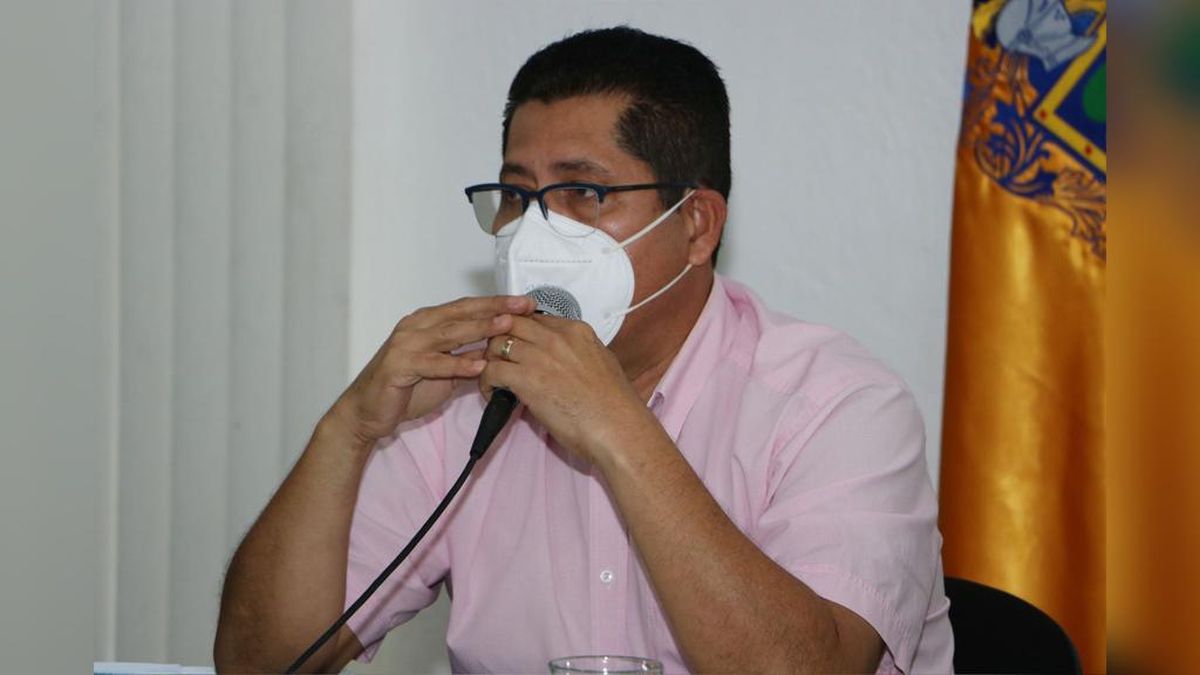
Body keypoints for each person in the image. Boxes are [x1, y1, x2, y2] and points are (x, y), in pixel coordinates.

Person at [214, 26, 953, 674]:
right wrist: (349, 430)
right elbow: (259, 662)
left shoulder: (838, 407)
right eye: (517, 195)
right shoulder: (465, 394)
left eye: (584, 194)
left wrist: (615, 426)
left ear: (697, 225)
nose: (534, 233)